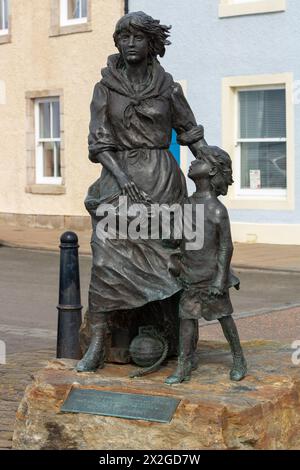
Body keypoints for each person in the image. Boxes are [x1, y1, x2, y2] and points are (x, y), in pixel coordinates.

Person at [76, 11, 206, 372]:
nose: (129, 44)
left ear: (152, 44)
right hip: (119, 178)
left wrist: (210, 166)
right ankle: (99, 343)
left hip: (162, 178)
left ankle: (173, 338)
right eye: (123, 38)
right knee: (106, 256)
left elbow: (190, 131)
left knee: (171, 257)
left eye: (137, 38)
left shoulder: (168, 87)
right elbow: (98, 141)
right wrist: (122, 179)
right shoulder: (105, 88)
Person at [165, 146, 247, 384]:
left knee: (224, 317)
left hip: (211, 277)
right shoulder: (186, 204)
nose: (192, 162)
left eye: (199, 160)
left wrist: (220, 279)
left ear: (211, 171)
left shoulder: (217, 210)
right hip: (190, 275)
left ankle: (239, 358)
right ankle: (183, 365)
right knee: (187, 320)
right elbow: (178, 238)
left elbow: (225, 247)